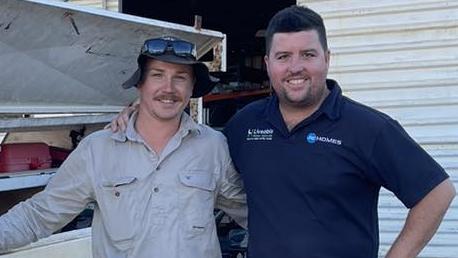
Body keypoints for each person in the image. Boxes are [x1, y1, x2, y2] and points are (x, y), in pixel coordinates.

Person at [110, 6, 456, 258]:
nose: (295, 68)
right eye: (283, 56)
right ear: (268, 64)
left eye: (308, 54)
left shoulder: (368, 128)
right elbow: (192, 151)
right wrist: (140, 115)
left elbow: (437, 192)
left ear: (327, 59)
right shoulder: (245, 125)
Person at [0, 36, 247, 258]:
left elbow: (251, 210)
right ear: (140, 84)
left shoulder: (213, 147)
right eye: (157, 75)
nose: (168, 88)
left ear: (192, 87)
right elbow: (39, 215)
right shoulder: (97, 150)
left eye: (180, 77)